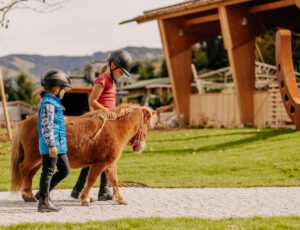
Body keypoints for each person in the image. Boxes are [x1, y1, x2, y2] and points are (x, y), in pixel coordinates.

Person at [71, 49, 133, 201]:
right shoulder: (102, 79)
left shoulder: (112, 82)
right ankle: (81, 189)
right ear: (112, 65)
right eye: (121, 71)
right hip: (101, 119)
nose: (122, 74)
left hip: (110, 120)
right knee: (101, 157)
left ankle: (99, 191)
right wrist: (108, 112)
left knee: (106, 157)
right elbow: (92, 101)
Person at [36, 69, 72, 212]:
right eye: (63, 89)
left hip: (59, 145)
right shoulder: (48, 104)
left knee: (65, 170)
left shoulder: (54, 103)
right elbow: (47, 126)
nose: (64, 92)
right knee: (48, 171)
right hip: (51, 145)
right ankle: (44, 202)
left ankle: (42, 194)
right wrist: (51, 145)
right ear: (56, 88)